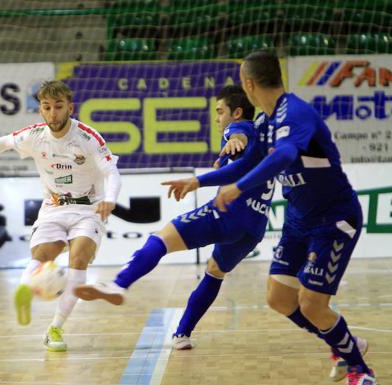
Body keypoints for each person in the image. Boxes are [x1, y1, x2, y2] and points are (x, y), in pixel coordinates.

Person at [210, 50, 373, 385]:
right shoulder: (265, 122)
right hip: (299, 220)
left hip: (334, 218)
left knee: (313, 304)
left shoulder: (295, 113)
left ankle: (359, 370)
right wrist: (198, 181)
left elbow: (284, 154)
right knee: (279, 298)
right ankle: (345, 344)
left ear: (248, 83)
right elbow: (246, 155)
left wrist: (237, 188)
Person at [73, 85, 275, 350]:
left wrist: (228, 144)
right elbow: (241, 165)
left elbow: (237, 135)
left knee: (161, 239)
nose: (216, 118)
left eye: (219, 111)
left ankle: (119, 285)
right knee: (215, 272)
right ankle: (182, 334)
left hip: (228, 213)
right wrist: (226, 159)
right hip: (254, 227)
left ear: (236, 112)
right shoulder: (263, 131)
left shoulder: (239, 129)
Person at [0, 80, 121, 352]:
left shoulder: (88, 137)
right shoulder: (34, 136)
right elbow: (3, 143)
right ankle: (27, 287)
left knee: (79, 259)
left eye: (58, 106)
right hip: (53, 208)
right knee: (42, 256)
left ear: (70, 107)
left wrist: (110, 199)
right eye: (47, 107)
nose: (53, 113)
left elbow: (112, 172)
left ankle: (55, 327)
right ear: (40, 110)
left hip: (88, 208)